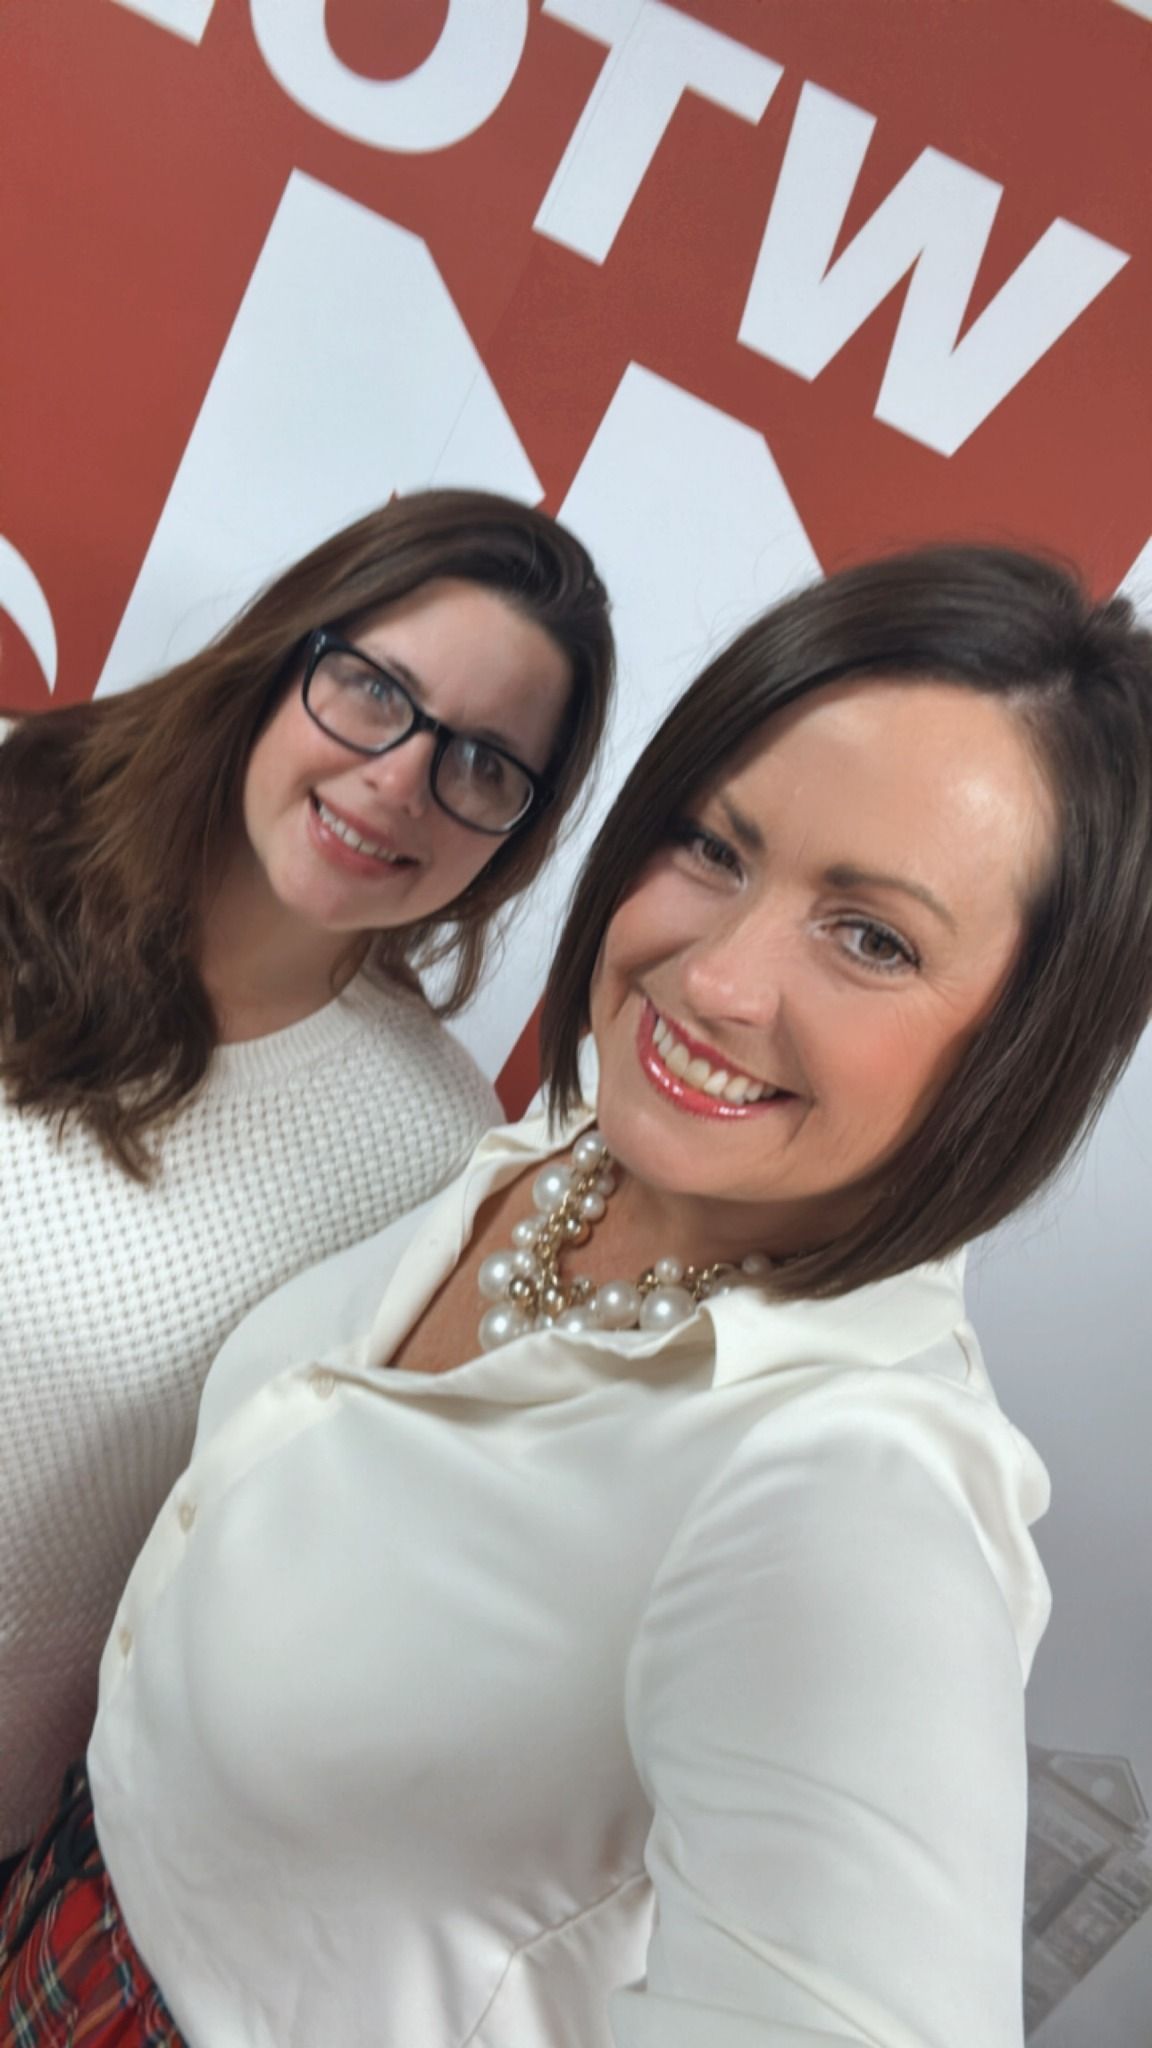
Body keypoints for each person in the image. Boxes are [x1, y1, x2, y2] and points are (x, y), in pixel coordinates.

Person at [3, 544, 1151, 2048]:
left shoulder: (854, 1493)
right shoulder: (571, 1138)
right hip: (57, 1903)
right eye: (714, 849)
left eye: (871, 938)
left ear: (1027, 1041)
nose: (716, 979)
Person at [0, 488, 615, 1868]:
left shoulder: (436, 1161)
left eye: (482, 765)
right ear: (284, 658)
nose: (400, 779)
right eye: (375, 691)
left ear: (517, 830)